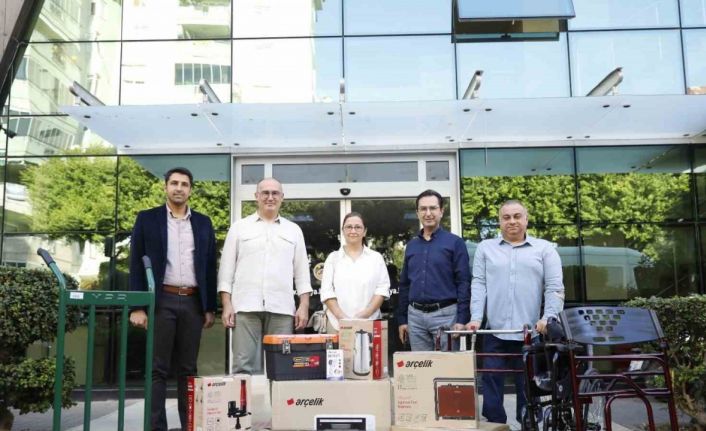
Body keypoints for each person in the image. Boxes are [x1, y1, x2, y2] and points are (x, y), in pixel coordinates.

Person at [129, 167, 217, 431]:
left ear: (190, 190)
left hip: (192, 302)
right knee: (157, 369)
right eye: (174, 183)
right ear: (166, 187)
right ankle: (157, 427)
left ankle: (189, 425)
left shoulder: (203, 223)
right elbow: (135, 264)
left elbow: (209, 266)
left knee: (188, 369)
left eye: (184, 184)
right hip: (161, 300)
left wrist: (209, 307)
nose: (179, 188)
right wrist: (138, 306)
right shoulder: (147, 219)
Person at [467, 199, 565, 424]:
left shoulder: (544, 249)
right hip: (494, 333)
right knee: (491, 391)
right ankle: (496, 427)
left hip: (529, 334)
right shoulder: (485, 248)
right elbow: (479, 284)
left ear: (526, 219)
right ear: (499, 221)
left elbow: (554, 287)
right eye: (506, 217)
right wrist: (475, 318)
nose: (512, 221)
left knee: (528, 392)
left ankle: (528, 425)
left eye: (517, 216)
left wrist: (548, 318)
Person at [218, 177, 312, 374]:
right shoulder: (239, 228)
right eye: (265, 193)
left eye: (275, 193)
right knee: (242, 365)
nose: (270, 197)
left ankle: (278, 396)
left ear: (282, 197)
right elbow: (226, 270)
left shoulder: (293, 230)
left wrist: (303, 306)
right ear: (256, 196)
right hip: (245, 306)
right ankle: (242, 397)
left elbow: (302, 273)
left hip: (281, 308)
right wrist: (227, 304)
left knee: (282, 367)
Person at [397, 189, 471, 351]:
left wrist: (462, 319)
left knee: (446, 365)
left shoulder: (455, 243)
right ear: (417, 212)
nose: (428, 213)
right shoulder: (411, 246)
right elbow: (405, 284)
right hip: (415, 318)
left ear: (441, 211)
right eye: (423, 209)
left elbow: (464, 282)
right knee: (421, 365)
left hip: (446, 316)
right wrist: (402, 319)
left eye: (433, 208)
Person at [320, 212, 391, 333]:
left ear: (365, 231)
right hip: (337, 325)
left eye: (358, 227)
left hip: (370, 323)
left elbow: (382, 289)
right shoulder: (333, 258)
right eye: (349, 227)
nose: (353, 230)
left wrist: (364, 315)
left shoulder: (376, 258)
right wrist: (343, 319)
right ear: (343, 231)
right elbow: (327, 291)